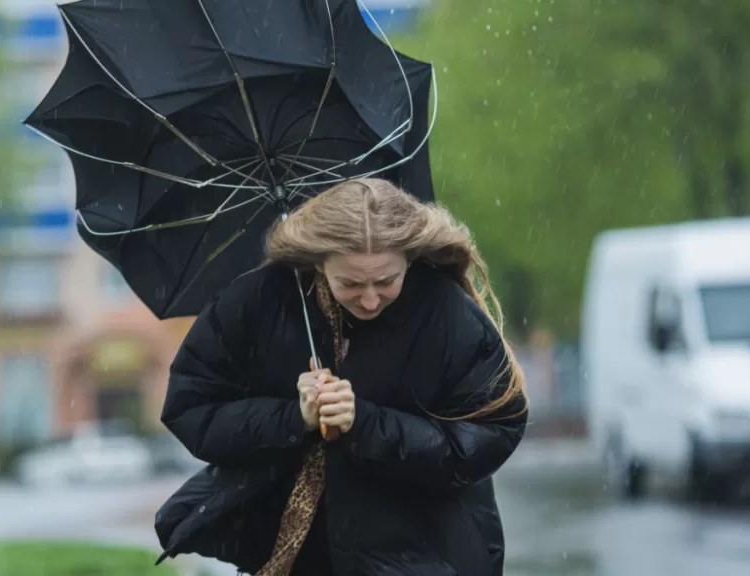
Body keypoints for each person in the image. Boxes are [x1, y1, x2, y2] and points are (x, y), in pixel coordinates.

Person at [154, 178, 529, 576]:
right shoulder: (256, 303)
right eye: (349, 283)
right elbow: (192, 410)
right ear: (318, 261)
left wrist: (365, 424)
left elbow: (491, 434)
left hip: (422, 560)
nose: (370, 299)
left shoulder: (446, 314)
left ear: (409, 258)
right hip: (296, 561)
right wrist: (294, 419)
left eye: (387, 281)